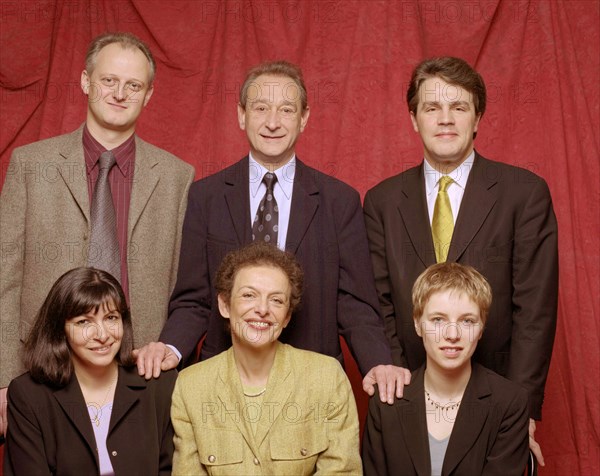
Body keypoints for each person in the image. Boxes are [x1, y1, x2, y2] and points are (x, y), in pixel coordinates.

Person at [137, 60, 409, 403]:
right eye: (261, 108)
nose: (272, 122)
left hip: (312, 383)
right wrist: (172, 347)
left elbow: (355, 304)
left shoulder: (339, 201)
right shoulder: (206, 196)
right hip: (225, 381)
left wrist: (378, 363)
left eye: (286, 109)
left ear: (304, 118)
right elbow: (193, 298)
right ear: (241, 115)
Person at [363, 56, 558, 465]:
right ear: (414, 118)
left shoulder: (524, 194)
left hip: (496, 402)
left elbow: (534, 311)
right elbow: (380, 302)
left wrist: (521, 409)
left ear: (478, 117)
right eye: (432, 108)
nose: (445, 119)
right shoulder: (381, 201)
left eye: (459, 107)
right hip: (411, 394)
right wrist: (399, 394)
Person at [0, 31, 194, 435]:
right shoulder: (30, 165)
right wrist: (3, 378)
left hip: (139, 373)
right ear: (87, 82)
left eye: (133, 85)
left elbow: (186, 287)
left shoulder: (178, 177)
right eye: (109, 80)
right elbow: (4, 277)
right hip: (41, 369)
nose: (120, 93)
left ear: (149, 94)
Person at [171, 242, 361, 475]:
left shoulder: (327, 377)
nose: (262, 309)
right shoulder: (191, 386)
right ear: (224, 305)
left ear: (287, 316)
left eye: (277, 300)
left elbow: (342, 471)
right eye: (249, 295)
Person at [4, 267, 176, 475]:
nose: (102, 334)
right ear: (60, 329)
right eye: (84, 322)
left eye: (111, 318)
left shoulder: (157, 383)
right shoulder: (29, 395)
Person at [362, 262, 529, 475]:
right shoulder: (386, 402)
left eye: (467, 321)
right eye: (438, 320)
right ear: (417, 324)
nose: (452, 335)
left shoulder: (509, 404)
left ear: (481, 328)